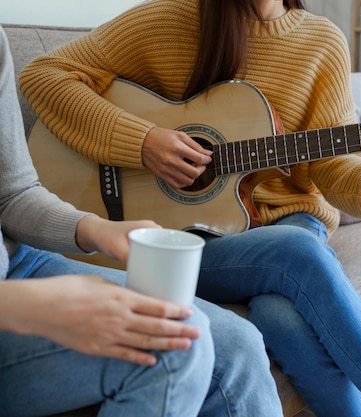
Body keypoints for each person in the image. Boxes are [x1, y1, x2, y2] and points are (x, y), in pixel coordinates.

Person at [20, 1, 361, 416]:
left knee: (280, 315)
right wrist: (142, 142)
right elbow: (44, 74)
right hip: (185, 239)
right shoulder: (173, 20)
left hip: (287, 223)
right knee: (295, 253)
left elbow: (337, 171)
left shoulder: (322, 42)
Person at [0, 25, 282, 417]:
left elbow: (12, 194)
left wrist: (98, 228)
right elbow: (46, 74)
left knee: (238, 342)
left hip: (21, 262)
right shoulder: (171, 18)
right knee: (173, 348)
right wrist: (21, 305)